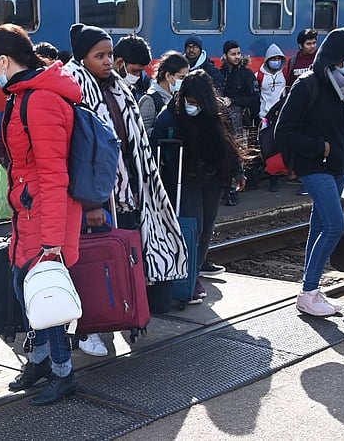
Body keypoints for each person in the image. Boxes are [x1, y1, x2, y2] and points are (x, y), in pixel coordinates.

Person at [65, 23, 187, 344]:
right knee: (95, 262)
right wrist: (92, 201)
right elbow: (80, 149)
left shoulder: (116, 87)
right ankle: (89, 324)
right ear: (82, 58)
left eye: (109, 54)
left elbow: (133, 141)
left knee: (127, 255)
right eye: (99, 55)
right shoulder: (74, 87)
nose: (108, 61)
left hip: (130, 189)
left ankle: (125, 312)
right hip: (99, 195)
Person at [0, 23, 82, 405]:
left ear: (5, 61)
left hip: (44, 216)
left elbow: (55, 175)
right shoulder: (23, 95)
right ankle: (39, 361)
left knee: (47, 296)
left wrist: (52, 244)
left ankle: (63, 373)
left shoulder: (39, 100)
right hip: (29, 212)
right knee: (24, 287)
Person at [275, 26, 344, 317]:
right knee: (334, 225)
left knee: (319, 223)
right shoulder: (307, 85)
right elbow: (283, 132)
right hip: (314, 167)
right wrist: (321, 148)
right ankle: (309, 290)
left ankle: (309, 289)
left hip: (338, 167)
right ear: (335, 60)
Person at [151, 70, 246, 300]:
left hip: (212, 177)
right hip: (184, 179)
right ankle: (185, 277)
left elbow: (228, 144)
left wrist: (237, 171)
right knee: (192, 227)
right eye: (188, 102)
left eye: (196, 103)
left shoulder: (216, 112)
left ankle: (193, 274)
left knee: (206, 228)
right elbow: (154, 145)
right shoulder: (170, 115)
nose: (191, 106)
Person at [257, 44, 287, 192]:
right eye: (272, 59)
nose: (275, 61)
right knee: (268, 147)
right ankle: (271, 176)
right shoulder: (260, 75)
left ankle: (277, 175)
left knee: (279, 147)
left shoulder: (284, 73)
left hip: (281, 116)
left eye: (278, 59)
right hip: (265, 117)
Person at [138, 51, 188, 136]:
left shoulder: (177, 98)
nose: (184, 81)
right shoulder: (149, 100)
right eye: (181, 77)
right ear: (168, 76)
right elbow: (143, 133)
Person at [220, 40, 260, 132]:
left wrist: (233, 101)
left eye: (239, 53)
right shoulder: (221, 73)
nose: (237, 57)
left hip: (243, 120)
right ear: (225, 56)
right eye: (233, 54)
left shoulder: (247, 74)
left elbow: (255, 97)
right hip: (223, 118)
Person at [113, 34, 153, 102]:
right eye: (134, 71)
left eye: (140, 72)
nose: (137, 76)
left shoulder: (131, 92)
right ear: (119, 63)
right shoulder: (100, 91)